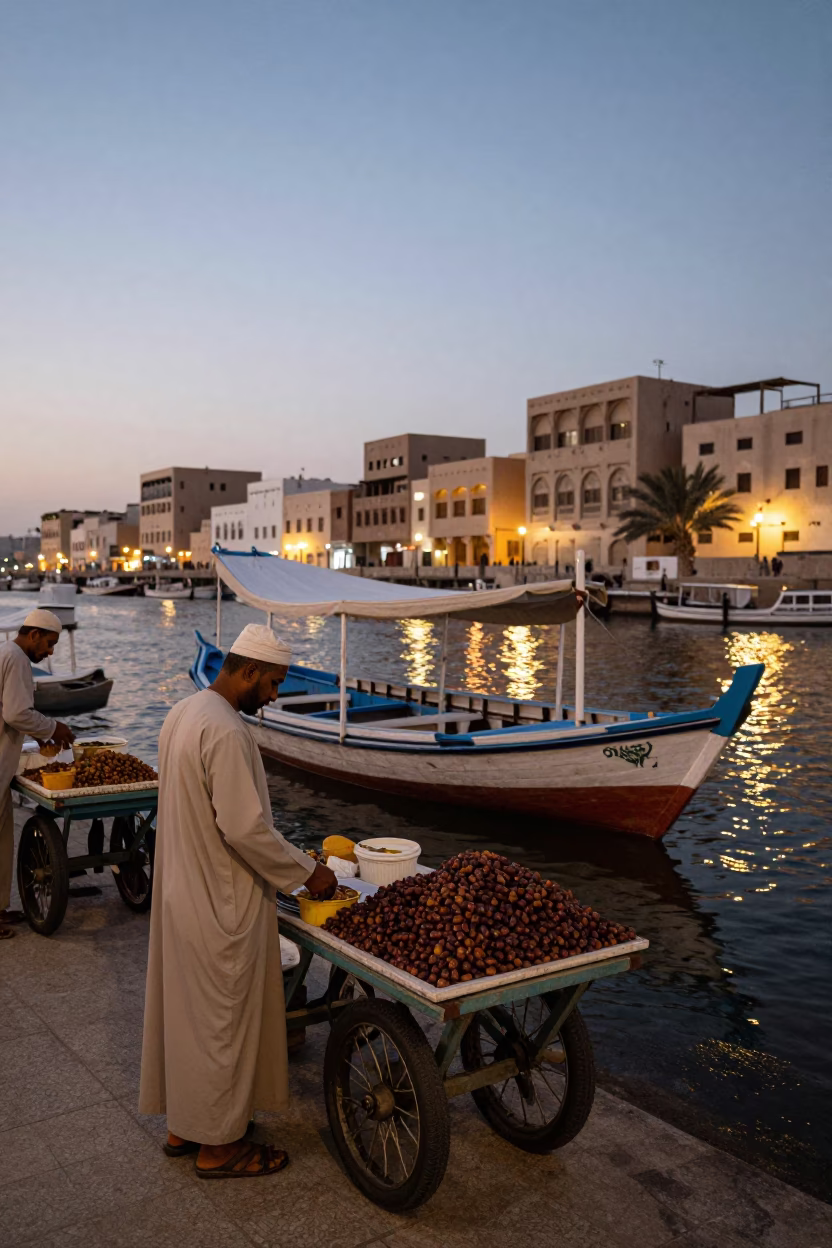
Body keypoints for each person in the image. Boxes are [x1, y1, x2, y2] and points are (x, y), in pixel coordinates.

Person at [139, 623, 336, 1179]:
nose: (274, 696)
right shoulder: (225, 730)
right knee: (221, 1024)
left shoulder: (185, 712)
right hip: (218, 900)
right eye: (272, 683)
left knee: (189, 1018)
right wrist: (307, 873)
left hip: (182, 890)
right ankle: (219, 1148)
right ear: (247, 671)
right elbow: (245, 830)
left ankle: (186, 1124)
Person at [0, 610, 75, 939]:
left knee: (3, 840)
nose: (50, 651)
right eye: (49, 643)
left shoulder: (6, 652)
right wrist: (53, 728)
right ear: (33, 635)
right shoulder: (15, 658)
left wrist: (43, 733)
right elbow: (16, 712)